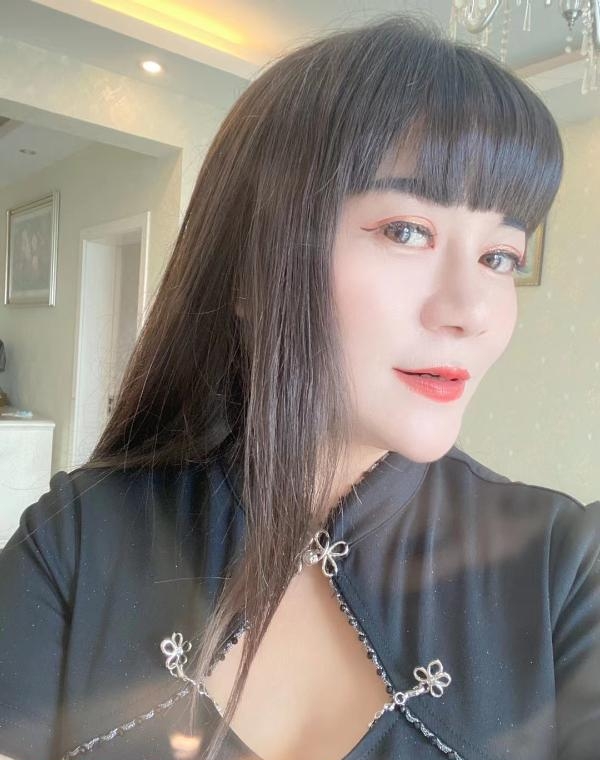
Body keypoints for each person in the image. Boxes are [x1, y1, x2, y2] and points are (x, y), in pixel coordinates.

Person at [0, 12, 598, 760]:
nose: (471, 311)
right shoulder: (77, 539)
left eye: (500, 257)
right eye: (406, 231)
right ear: (254, 266)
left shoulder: (565, 567)